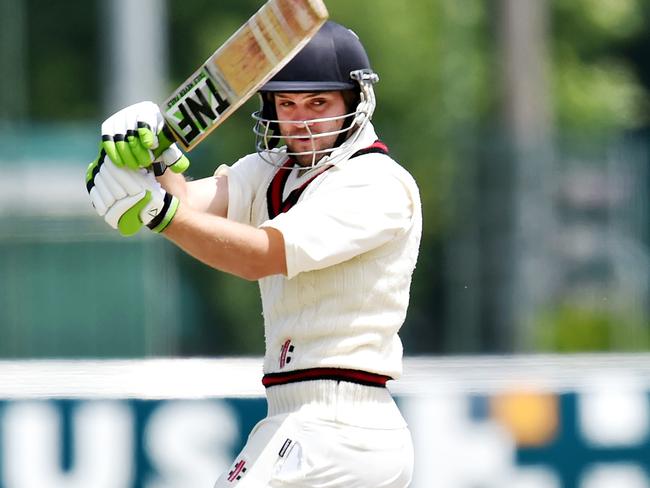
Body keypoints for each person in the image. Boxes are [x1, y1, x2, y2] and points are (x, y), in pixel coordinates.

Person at [86, 20, 422, 488]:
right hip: (296, 417)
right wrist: (150, 162)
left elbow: (259, 255)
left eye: (318, 103)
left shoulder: (376, 183)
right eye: (287, 103)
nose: (301, 121)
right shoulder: (272, 170)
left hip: (344, 426)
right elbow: (188, 207)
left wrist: (157, 212)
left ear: (355, 100)